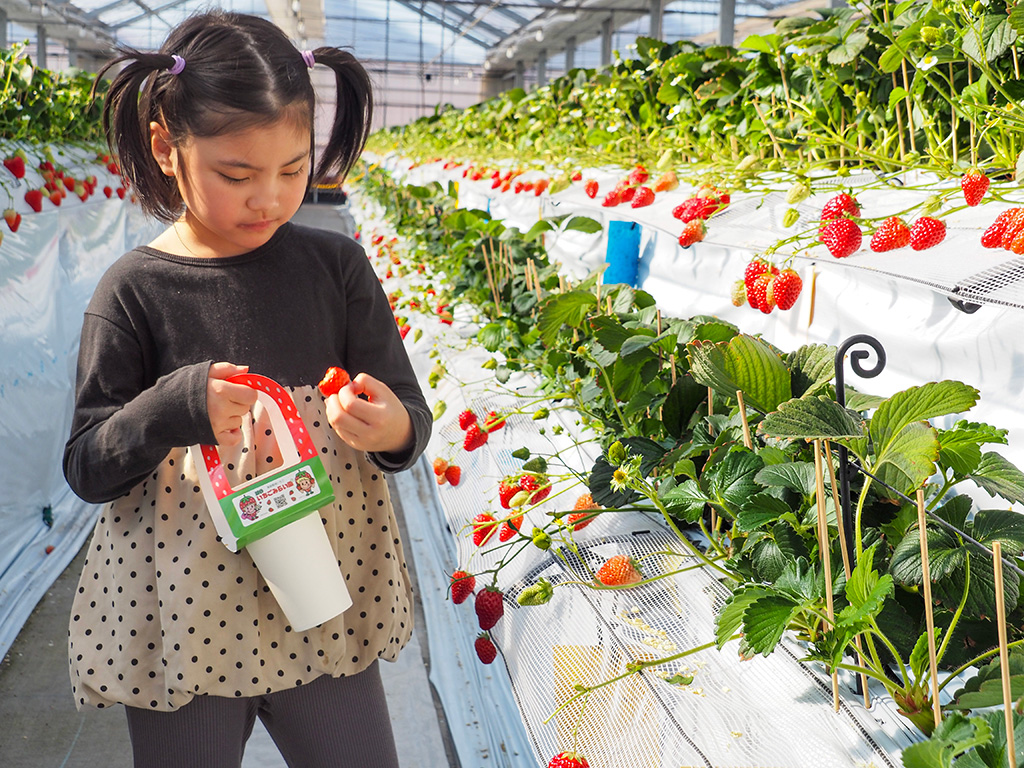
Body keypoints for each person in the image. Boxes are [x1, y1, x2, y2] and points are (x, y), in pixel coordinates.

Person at [62, 11, 431, 768]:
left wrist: (388, 426)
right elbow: (88, 464)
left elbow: (409, 419)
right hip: (186, 619)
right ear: (167, 146)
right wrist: (172, 409)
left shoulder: (338, 271)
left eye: (293, 170)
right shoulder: (135, 290)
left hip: (323, 600)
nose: (269, 198)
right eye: (238, 174)